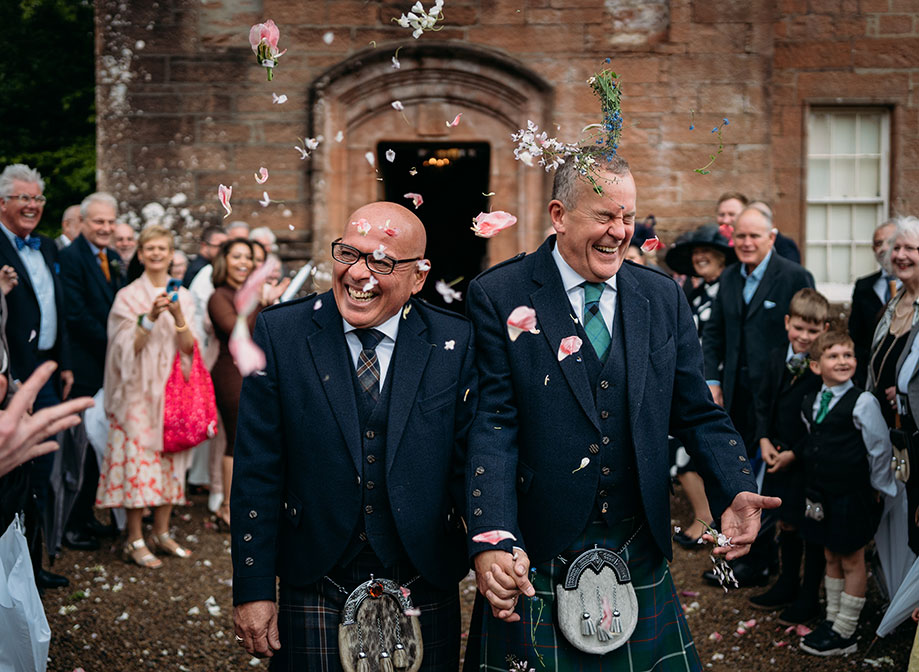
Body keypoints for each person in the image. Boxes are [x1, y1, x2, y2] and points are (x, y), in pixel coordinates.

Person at [463, 155, 777, 670]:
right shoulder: (499, 294)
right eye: (604, 217)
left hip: (636, 540)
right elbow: (494, 423)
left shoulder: (660, 297)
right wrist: (493, 534)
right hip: (539, 544)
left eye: (627, 218)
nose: (619, 232)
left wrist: (736, 486)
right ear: (559, 215)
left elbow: (697, 411)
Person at [231, 202, 476, 670]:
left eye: (382, 262)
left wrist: (492, 548)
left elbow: (472, 462)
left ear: (419, 277)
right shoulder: (281, 332)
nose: (359, 274)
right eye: (348, 253)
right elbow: (256, 472)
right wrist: (253, 588)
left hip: (422, 573)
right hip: (315, 573)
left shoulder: (455, 341)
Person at [702, 205, 814, 586]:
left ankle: (764, 563)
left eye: (754, 236)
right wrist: (712, 381)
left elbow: (806, 338)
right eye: (741, 236)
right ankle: (739, 553)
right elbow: (714, 334)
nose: (746, 243)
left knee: (769, 481)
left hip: (777, 399)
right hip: (734, 394)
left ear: (772, 236)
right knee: (736, 472)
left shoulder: (795, 276)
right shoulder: (731, 276)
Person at [95, 225, 197, 569]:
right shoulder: (127, 297)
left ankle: (162, 532)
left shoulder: (185, 295)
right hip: (136, 390)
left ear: (171, 254)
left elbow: (190, 349)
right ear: (140, 254)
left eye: (162, 248)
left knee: (169, 462)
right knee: (138, 462)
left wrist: (179, 316)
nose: (156, 254)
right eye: (149, 248)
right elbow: (123, 349)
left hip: (171, 391)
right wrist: (150, 317)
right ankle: (134, 536)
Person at [795, 330, 896, 655]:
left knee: (852, 558)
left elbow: (879, 448)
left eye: (848, 355)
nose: (843, 361)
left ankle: (847, 631)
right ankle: (833, 619)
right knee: (829, 554)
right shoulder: (810, 401)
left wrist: (879, 489)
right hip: (820, 495)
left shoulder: (863, 401)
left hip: (852, 495)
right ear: (815, 366)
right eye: (833, 356)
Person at [0, 163, 73, 590]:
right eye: (23, 198)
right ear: (3, 202)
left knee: (43, 468)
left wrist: (64, 363)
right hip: (10, 377)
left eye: (37, 199)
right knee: (14, 474)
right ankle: (11, 571)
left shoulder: (46, 247)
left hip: (47, 372)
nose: (32, 206)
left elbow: (57, 308)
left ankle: (33, 563)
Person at [748, 289, 829, 624]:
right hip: (777, 454)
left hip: (807, 459)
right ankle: (786, 582)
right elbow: (762, 403)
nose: (805, 337)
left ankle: (809, 595)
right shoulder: (774, 356)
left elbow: (823, 420)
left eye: (813, 331)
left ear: (824, 329)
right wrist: (764, 439)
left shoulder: (822, 368)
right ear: (787, 323)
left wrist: (796, 452)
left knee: (810, 525)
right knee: (785, 521)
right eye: (799, 328)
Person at [58, 192, 125, 550]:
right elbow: (76, 315)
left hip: (108, 369)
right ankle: (71, 523)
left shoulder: (113, 257)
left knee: (101, 440)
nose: (106, 228)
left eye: (111, 222)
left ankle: (88, 515)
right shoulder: (69, 258)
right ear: (82, 223)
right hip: (85, 366)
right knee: (80, 446)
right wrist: (117, 344)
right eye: (99, 221)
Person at [664, 225, 737, 547]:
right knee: (678, 450)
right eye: (695, 253)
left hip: (718, 383)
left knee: (694, 450)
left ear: (722, 257)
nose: (700, 257)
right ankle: (705, 517)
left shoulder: (730, 290)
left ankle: (707, 519)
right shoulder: (693, 294)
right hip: (690, 380)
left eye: (707, 251)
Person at [207, 239, 286, 529]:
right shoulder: (219, 295)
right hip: (231, 373)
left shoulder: (252, 293)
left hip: (259, 371)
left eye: (249, 258)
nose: (244, 263)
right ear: (224, 261)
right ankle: (226, 509)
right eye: (236, 256)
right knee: (235, 439)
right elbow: (237, 330)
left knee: (257, 439)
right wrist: (262, 302)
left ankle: (251, 501)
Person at [850, 219, 899, 386]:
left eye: (891, 242)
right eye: (879, 243)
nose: (884, 248)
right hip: (869, 375)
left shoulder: (913, 286)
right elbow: (855, 336)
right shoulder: (863, 286)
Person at [716, 193, 801, 264]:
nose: (726, 220)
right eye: (721, 214)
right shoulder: (715, 239)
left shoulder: (782, 245)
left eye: (732, 214)